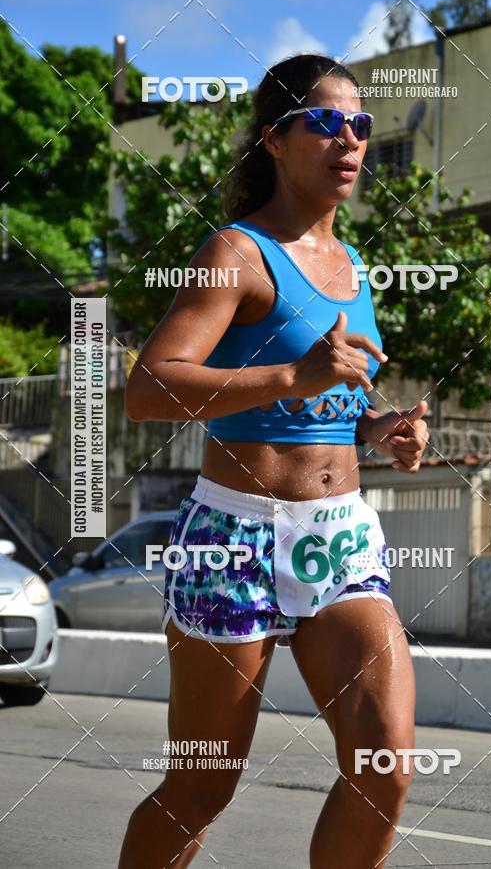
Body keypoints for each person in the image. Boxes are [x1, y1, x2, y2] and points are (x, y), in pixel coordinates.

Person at [119, 53, 429, 869]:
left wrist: (379, 428)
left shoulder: (354, 268)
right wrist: (294, 375)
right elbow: (148, 388)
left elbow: (330, 400)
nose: (348, 140)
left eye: (360, 124)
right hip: (234, 538)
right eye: (324, 122)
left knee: (386, 764)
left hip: (338, 537)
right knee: (201, 788)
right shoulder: (236, 252)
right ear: (275, 140)